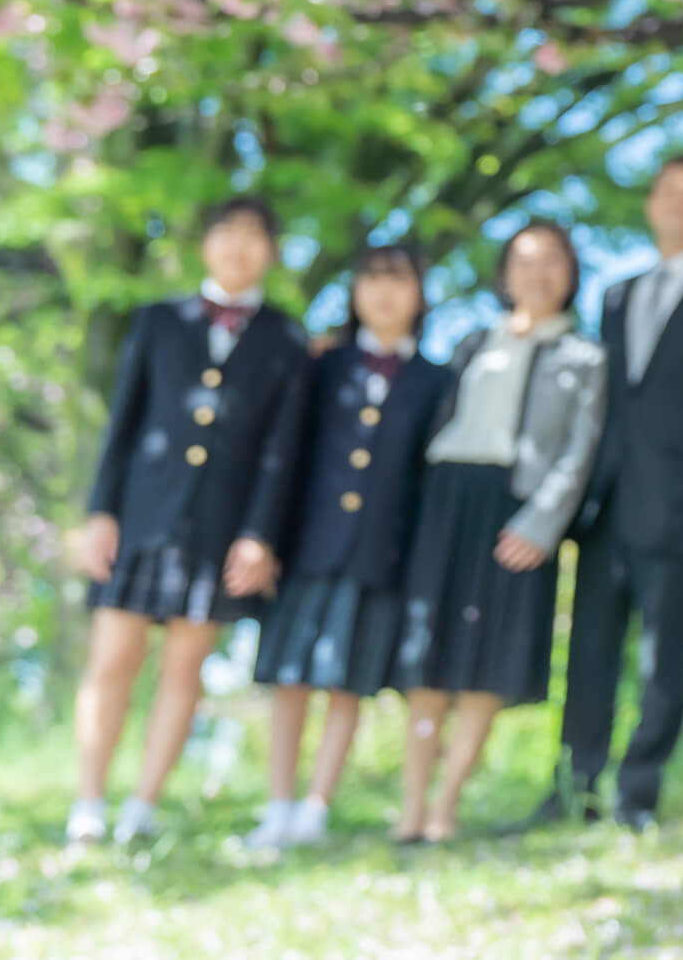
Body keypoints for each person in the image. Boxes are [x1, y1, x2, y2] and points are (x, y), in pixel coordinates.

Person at [530, 153, 683, 830]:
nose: (678, 204)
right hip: (606, 502)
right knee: (589, 654)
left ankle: (637, 794)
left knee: (663, 656)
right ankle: (573, 788)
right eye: (667, 192)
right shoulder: (616, 294)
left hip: (680, 499)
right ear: (650, 205)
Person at [66, 195, 308, 846]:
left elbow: (281, 453)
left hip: (222, 529)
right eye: (225, 232)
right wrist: (100, 512)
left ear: (272, 250)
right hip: (141, 518)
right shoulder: (156, 320)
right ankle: (88, 801)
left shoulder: (288, 338)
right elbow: (123, 423)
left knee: (184, 670)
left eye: (254, 235)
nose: (238, 246)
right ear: (205, 242)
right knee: (112, 658)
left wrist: (260, 533)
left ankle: (142, 805)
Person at [390, 219, 605, 844]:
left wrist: (542, 523)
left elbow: (579, 451)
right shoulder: (470, 343)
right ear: (505, 273)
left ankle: (444, 808)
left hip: (516, 508)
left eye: (551, 262)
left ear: (570, 274)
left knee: (486, 663)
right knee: (427, 656)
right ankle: (409, 808)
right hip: (445, 499)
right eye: (523, 260)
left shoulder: (584, 357)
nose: (536, 273)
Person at [244, 244, 454, 850]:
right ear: (355, 292)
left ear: (419, 295)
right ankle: (277, 803)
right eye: (371, 280)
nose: (384, 293)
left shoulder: (437, 380)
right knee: (289, 677)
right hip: (308, 545)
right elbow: (285, 456)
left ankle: (316, 808)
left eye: (399, 280)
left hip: (380, 555)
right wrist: (267, 537)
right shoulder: (321, 366)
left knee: (347, 684)